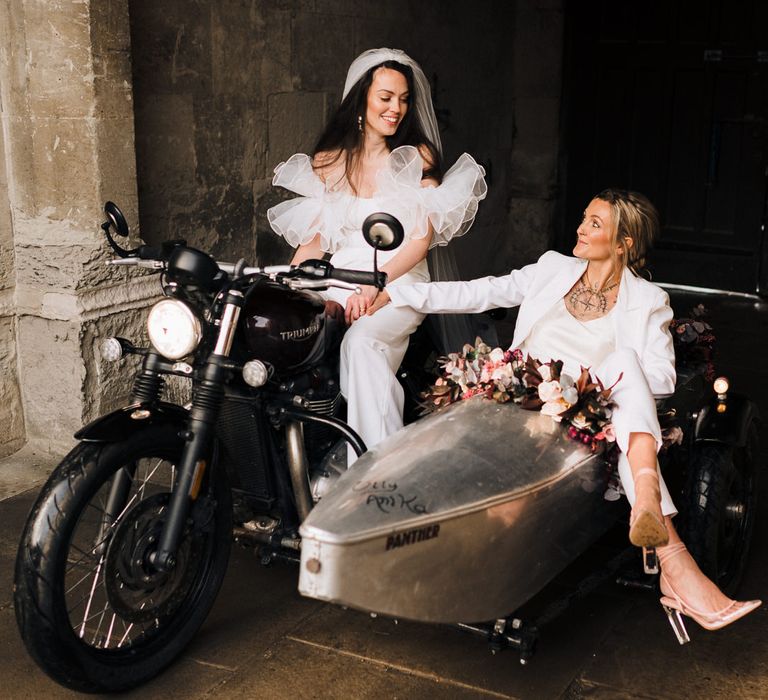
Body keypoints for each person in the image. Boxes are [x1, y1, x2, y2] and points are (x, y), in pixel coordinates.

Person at [367, 188, 761, 639]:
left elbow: (663, 380)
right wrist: (395, 293)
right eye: (584, 218)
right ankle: (671, 555)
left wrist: (586, 384)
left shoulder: (649, 300)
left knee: (626, 363)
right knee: (619, 375)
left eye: (595, 223)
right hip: (519, 395)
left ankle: (651, 509)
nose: (580, 228)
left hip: (588, 411)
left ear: (623, 243)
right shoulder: (553, 268)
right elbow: (480, 291)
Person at [268, 48, 487, 463]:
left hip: (397, 278)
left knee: (363, 343)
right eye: (386, 97)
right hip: (338, 276)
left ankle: (379, 472)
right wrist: (290, 283)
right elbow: (315, 243)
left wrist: (378, 288)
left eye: (404, 99)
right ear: (361, 99)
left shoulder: (416, 157)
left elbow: (420, 240)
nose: (396, 109)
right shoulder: (329, 161)